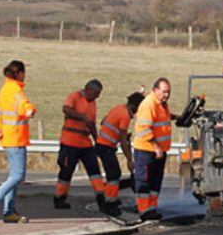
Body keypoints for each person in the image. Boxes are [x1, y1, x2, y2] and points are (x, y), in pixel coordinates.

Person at [0, 60, 37, 224]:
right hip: (16, 138)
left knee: (14, 176)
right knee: (18, 176)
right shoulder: (16, 90)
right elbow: (24, 108)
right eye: (24, 73)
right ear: (19, 73)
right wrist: (31, 109)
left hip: (7, 137)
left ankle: (9, 212)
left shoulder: (4, 89)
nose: (25, 76)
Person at [54, 80, 117, 216]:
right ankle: (59, 198)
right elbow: (66, 109)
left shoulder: (92, 103)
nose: (98, 97)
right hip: (69, 142)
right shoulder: (75, 96)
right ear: (89, 90)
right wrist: (82, 117)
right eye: (96, 94)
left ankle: (101, 198)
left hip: (85, 144)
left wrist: (97, 141)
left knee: (95, 172)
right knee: (66, 172)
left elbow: (91, 123)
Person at [132, 78, 173, 221]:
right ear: (155, 90)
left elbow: (162, 119)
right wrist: (156, 147)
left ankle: (152, 208)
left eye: (168, 92)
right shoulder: (148, 104)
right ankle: (144, 210)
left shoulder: (161, 104)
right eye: (164, 92)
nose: (166, 95)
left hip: (159, 150)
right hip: (146, 150)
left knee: (156, 180)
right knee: (144, 180)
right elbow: (143, 129)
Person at [95, 92, 144, 210]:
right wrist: (129, 160)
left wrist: (120, 134)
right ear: (135, 106)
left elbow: (103, 122)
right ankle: (109, 202)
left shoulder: (118, 108)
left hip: (101, 145)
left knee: (114, 173)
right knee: (114, 174)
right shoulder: (125, 115)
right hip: (106, 147)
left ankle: (105, 197)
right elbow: (122, 141)